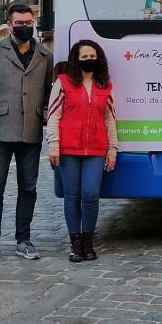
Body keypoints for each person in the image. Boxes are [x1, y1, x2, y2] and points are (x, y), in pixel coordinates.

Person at [0, 4, 53, 263]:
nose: (24, 26)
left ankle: (24, 240)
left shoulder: (44, 54)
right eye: (19, 22)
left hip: (30, 131)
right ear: (9, 24)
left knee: (28, 188)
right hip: (0, 129)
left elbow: (45, 90)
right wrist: (1, 108)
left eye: (28, 22)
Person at [46, 39, 117, 263]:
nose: (89, 60)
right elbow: (54, 115)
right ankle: (75, 244)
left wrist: (112, 149)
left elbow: (110, 118)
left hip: (96, 148)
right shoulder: (63, 82)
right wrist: (53, 145)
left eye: (92, 56)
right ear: (76, 59)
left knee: (90, 194)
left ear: (99, 59)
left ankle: (88, 241)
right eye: (84, 57)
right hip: (68, 148)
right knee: (72, 196)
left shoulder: (104, 84)